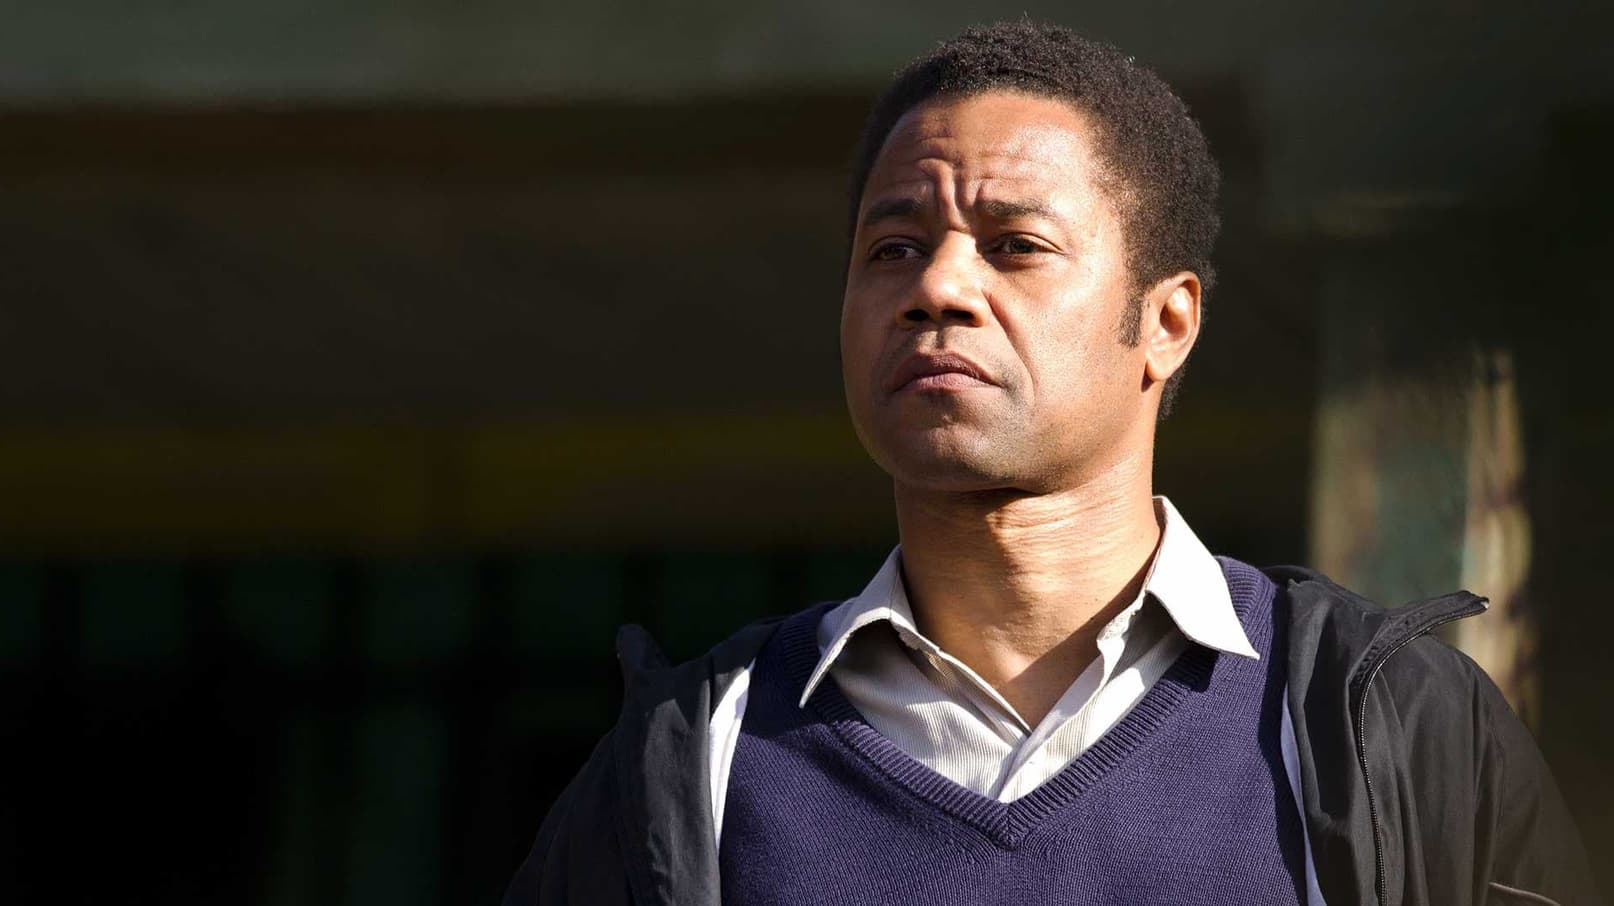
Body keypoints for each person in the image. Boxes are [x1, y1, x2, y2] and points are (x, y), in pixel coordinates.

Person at [504, 21, 1599, 906]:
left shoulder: (1383, 733)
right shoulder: (694, 759)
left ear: (1166, 323)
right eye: (893, 248)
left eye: (1016, 247)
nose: (938, 288)